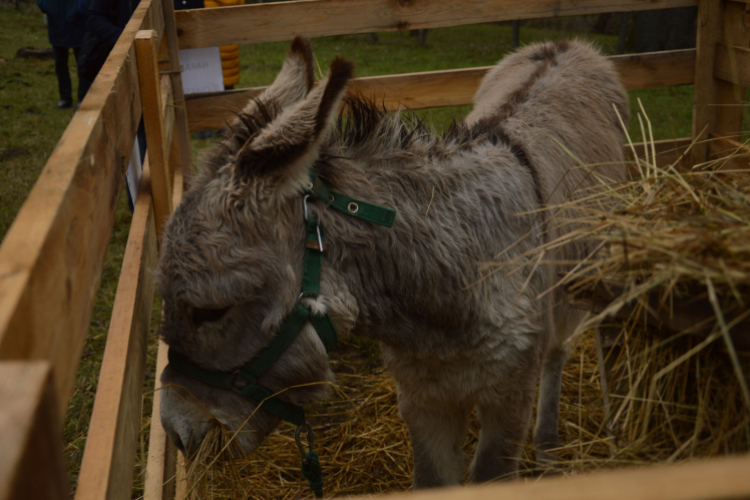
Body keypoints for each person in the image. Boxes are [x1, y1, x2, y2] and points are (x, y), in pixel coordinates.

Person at [37, 0, 91, 108]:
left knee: (83, 63)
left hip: (78, 24)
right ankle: (65, 98)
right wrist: (45, 5)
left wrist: (80, 9)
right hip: (56, 23)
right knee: (60, 64)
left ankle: (83, 97)